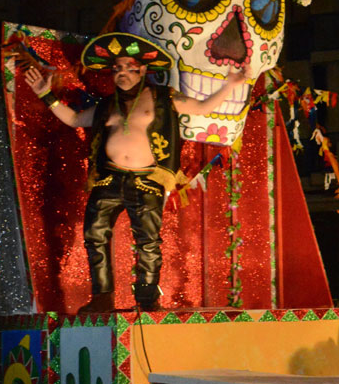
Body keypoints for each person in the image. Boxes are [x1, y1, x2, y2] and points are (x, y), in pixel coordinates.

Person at [25, 32, 251, 312]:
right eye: (116, 68)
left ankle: (147, 300)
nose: (121, 73)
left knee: (148, 242)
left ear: (142, 70)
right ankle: (102, 297)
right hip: (109, 178)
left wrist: (231, 85)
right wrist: (45, 94)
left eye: (127, 67)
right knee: (94, 235)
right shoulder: (106, 105)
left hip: (146, 180)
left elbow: (203, 107)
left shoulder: (162, 97)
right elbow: (73, 119)